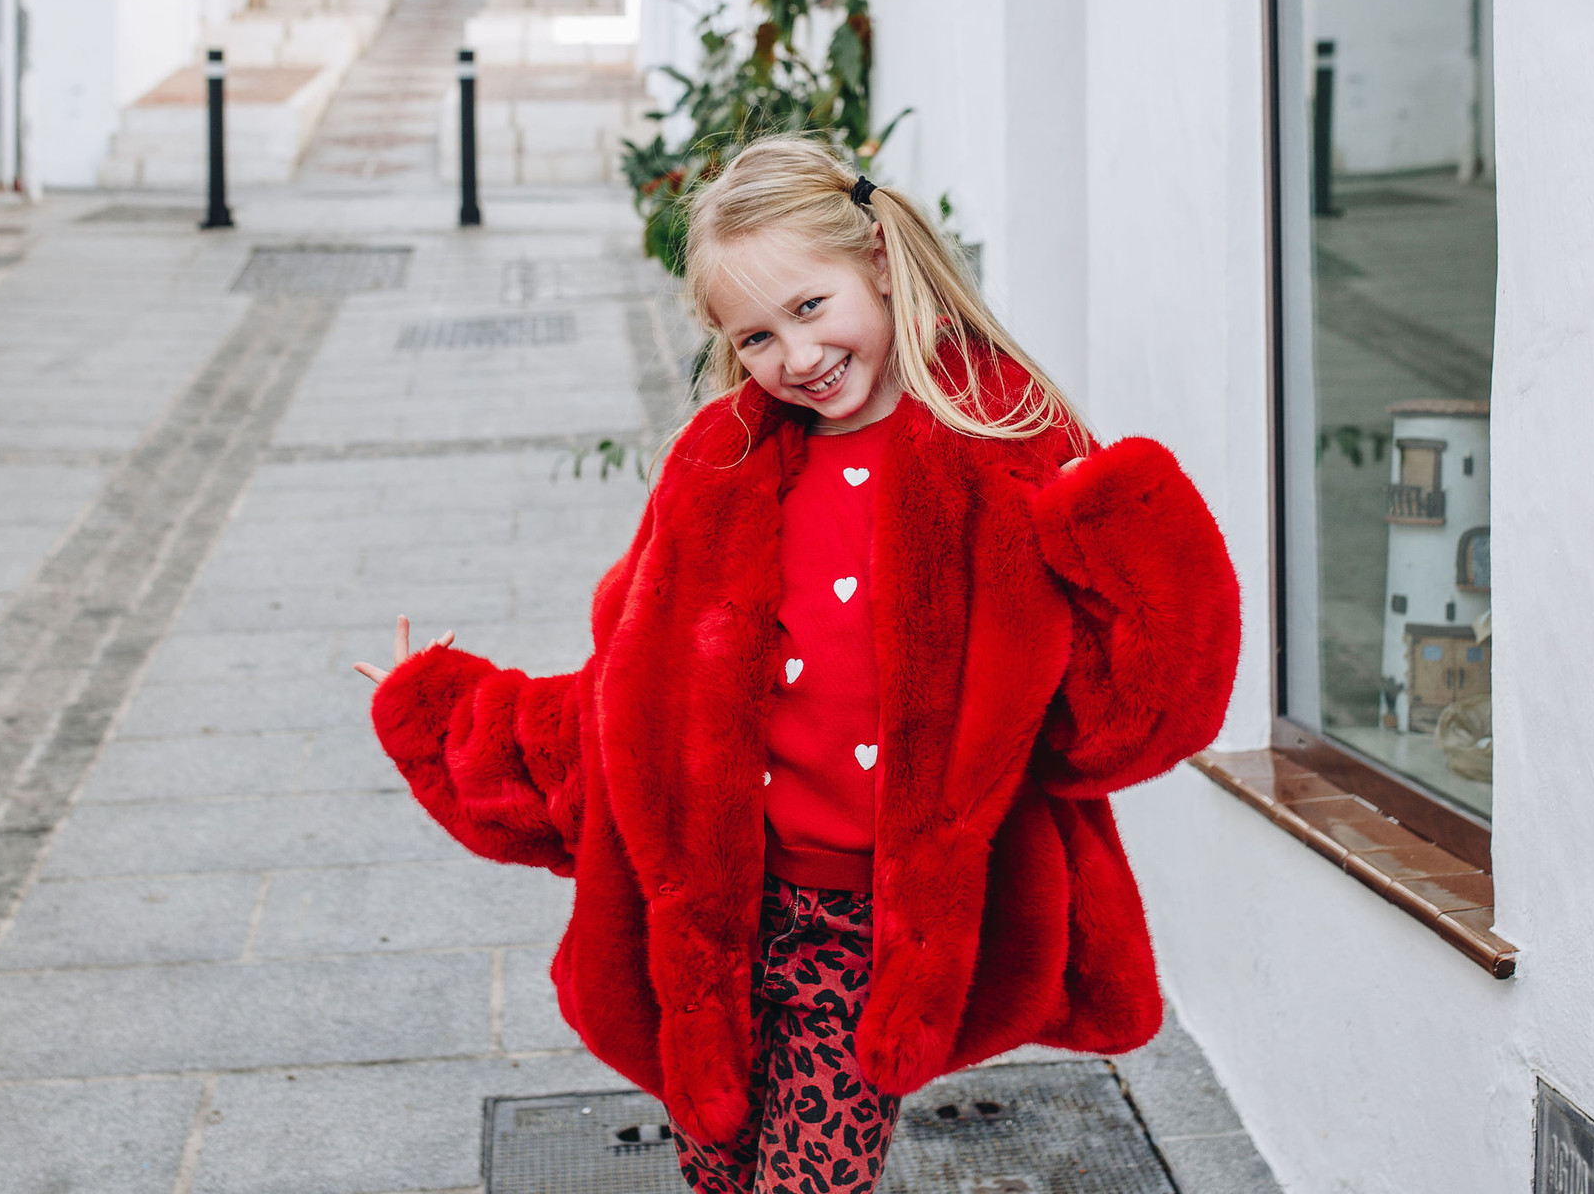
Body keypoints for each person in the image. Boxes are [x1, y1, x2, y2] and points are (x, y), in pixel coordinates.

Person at [355, 134, 1241, 1194]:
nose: (795, 356)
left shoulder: (999, 442)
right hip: (724, 925)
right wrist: (451, 716)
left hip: (872, 935)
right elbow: (637, 702)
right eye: (758, 334)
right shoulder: (717, 467)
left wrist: (1129, 529)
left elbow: (1121, 714)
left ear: (876, 259)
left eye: (811, 308)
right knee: (723, 1171)